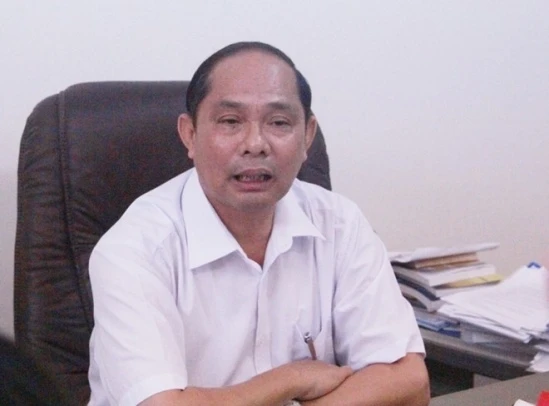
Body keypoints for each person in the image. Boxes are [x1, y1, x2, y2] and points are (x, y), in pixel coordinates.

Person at [88, 41, 430, 406]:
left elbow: (409, 381)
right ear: (190, 134)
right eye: (230, 122)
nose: (255, 144)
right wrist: (292, 378)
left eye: (279, 122)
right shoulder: (135, 249)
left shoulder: (340, 225)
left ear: (308, 136)